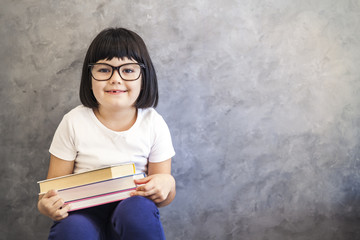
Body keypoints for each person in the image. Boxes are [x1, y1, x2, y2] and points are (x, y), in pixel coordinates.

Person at [37, 27, 176, 240]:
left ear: (144, 77)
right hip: (81, 212)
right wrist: (47, 205)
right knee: (72, 230)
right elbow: (52, 190)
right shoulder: (73, 122)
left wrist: (167, 184)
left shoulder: (153, 123)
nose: (115, 79)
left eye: (128, 70)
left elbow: (163, 195)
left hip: (132, 207)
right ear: (89, 77)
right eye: (104, 70)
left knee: (138, 212)